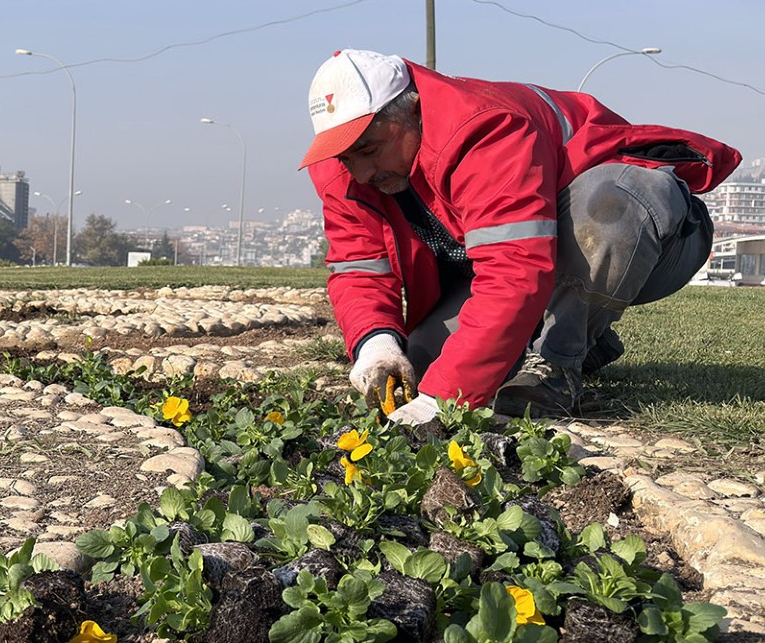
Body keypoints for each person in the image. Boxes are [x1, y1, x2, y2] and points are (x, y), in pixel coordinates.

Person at [302, 49, 739, 423]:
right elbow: (359, 268)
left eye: (370, 149)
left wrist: (441, 402)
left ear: (413, 110)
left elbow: (515, 270)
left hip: (656, 232)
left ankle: (556, 365)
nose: (361, 171)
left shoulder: (482, 130)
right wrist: (377, 344)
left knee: (609, 202)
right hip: (529, 262)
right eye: (347, 156)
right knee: (422, 363)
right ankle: (571, 333)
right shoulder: (344, 167)